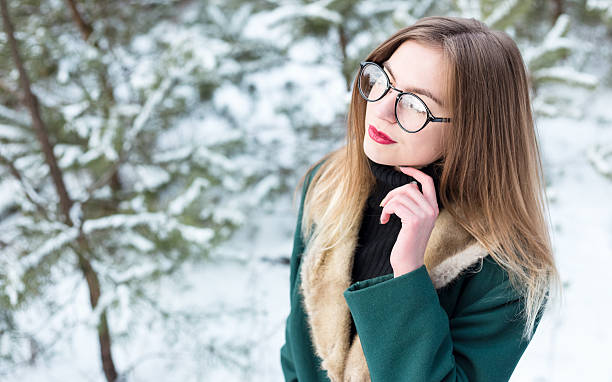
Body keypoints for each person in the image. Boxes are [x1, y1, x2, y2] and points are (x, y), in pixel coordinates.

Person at [280, 15, 561, 382]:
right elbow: (296, 351)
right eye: (383, 80)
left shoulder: (505, 268)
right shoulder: (329, 185)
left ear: (472, 130)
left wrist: (408, 277)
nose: (380, 109)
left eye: (415, 103)